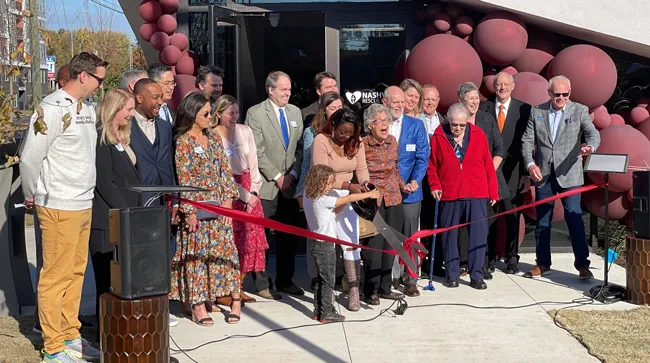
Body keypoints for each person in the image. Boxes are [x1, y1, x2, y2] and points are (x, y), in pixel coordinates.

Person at [20, 51, 106, 363]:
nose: (100, 85)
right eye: (98, 79)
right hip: (57, 202)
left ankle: (71, 334)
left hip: (82, 202)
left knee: (75, 273)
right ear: (83, 76)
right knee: (54, 276)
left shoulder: (85, 107)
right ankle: (53, 346)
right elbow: (30, 157)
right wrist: (32, 194)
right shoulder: (52, 108)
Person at [171, 91, 242, 326]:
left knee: (225, 254)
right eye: (205, 113)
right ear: (192, 114)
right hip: (197, 210)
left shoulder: (212, 137)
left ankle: (235, 300)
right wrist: (189, 211)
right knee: (197, 259)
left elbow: (224, 169)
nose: (210, 117)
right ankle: (198, 304)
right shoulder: (183, 142)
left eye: (211, 112)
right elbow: (184, 176)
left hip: (220, 206)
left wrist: (228, 203)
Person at [521, 75, 600, 279]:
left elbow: (592, 132)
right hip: (544, 174)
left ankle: (583, 265)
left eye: (566, 94)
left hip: (570, 174)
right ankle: (542, 263)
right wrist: (530, 164)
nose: (561, 98)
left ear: (570, 93)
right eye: (557, 94)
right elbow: (527, 141)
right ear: (549, 93)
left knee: (574, 219)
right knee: (542, 222)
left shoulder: (579, 110)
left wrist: (589, 146)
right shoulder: (537, 111)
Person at [245, 71, 304, 299]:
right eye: (283, 90)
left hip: (290, 185)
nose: (288, 94)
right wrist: (278, 176)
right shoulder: (256, 113)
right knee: (262, 238)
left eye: (289, 89)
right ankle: (261, 283)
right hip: (269, 185)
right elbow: (256, 151)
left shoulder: (295, 112)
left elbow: (300, 148)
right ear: (271, 90)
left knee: (289, 236)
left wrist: (294, 173)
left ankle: (285, 280)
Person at [428, 103, 499, 290]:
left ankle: (476, 275)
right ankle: (452, 274)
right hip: (449, 193)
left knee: (478, 235)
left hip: (476, 192)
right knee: (449, 235)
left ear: (467, 122)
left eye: (461, 125)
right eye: (454, 125)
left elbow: (487, 165)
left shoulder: (478, 134)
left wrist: (493, 191)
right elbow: (432, 165)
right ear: (448, 122)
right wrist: (435, 185)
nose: (457, 129)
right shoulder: (438, 135)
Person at [89, 89, 140, 340]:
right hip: (107, 221)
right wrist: (125, 213)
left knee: (121, 281)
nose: (132, 114)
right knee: (106, 282)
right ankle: (104, 336)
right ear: (113, 108)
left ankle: (119, 332)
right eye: (128, 109)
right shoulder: (101, 139)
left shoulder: (122, 138)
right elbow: (105, 182)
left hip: (125, 219)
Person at [129, 78, 179, 327]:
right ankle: (138, 308)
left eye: (162, 96)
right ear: (139, 98)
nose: (161, 101)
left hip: (162, 202)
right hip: (136, 202)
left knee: (160, 255)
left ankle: (158, 308)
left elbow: (169, 162)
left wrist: (175, 199)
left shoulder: (164, 125)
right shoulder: (126, 126)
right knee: (138, 257)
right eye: (155, 97)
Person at [303, 164, 380, 323]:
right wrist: (370, 194)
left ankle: (319, 310)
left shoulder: (310, 197)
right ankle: (327, 313)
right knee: (328, 281)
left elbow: (335, 210)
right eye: (329, 183)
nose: (331, 186)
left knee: (321, 279)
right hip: (325, 247)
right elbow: (350, 198)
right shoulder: (322, 199)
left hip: (317, 245)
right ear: (319, 182)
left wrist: (345, 201)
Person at [312, 107, 369, 311]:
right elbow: (321, 172)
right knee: (327, 245)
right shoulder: (321, 140)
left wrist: (364, 184)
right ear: (333, 125)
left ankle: (353, 289)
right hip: (323, 196)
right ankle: (326, 294)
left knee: (350, 243)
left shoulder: (357, 141)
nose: (346, 136)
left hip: (348, 196)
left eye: (350, 133)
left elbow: (361, 168)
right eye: (342, 132)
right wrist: (348, 185)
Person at [213, 94, 268, 304]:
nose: (234, 116)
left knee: (250, 241)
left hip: (249, 188)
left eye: (237, 112)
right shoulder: (213, 135)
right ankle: (224, 289)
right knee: (230, 242)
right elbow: (220, 172)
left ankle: (239, 285)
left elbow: (253, 162)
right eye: (230, 113)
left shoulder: (244, 131)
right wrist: (242, 194)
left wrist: (253, 192)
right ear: (219, 114)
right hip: (228, 190)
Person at [479, 72, 532, 274]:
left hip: (513, 173)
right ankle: (489, 258)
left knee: (512, 217)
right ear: (494, 86)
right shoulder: (483, 107)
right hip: (489, 172)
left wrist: (526, 173)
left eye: (505, 84)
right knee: (490, 218)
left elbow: (528, 142)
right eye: (498, 84)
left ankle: (512, 259)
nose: (502, 88)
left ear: (513, 86)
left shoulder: (524, 109)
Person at [361, 103, 410, 304]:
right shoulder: (362, 144)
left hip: (393, 197)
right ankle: (370, 289)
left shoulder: (393, 141)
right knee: (374, 246)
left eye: (386, 120)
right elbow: (359, 172)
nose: (384, 125)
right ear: (369, 125)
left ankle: (385, 286)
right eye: (379, 121)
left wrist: (403, 185)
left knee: (392, 242)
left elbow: (394, 169)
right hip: (373, 199)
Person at [382, 86, 429, 297]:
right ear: (385, 103)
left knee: (410, 237)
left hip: (410, 192)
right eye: (395, 102)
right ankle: (389, 277)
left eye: (402, 102)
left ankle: (410, 279)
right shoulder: (379, 124)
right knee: (389, 235)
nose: (400, 106)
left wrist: (415, 180)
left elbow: (422, 157)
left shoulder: (416, 126)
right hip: (387, 192)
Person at [457, 81, 507, 279]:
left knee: (483, 224)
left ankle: (482, 263)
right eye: (470, 98)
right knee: (462, 223)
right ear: (461, 100)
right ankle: (462, 263)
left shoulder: (487, 119)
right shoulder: (454, 121)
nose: (475, 102)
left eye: (477, 98)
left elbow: (500, 149)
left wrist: (488, 172)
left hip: (487, 182)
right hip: (462, 183)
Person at [295, 91, 344, 289]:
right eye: (333, 108)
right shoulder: (311, 132)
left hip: (340, 190)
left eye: (340, 108)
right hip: (318, 190)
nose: (337, 112)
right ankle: (316, 276)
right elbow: (307, 164)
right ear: (324, 111)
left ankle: (337, 276)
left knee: (338, 236)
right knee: (316, 235)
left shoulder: (347, 131)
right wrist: (301, 191)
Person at [418, 84, 444, 278]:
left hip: (439, 180)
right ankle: (421, 261)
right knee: (423, 222)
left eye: (433, 100)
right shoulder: (415, 120)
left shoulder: (444, 122)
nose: (429, 103)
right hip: (420, 179)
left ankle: (436, 262)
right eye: (426, 99)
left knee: (439, 222)